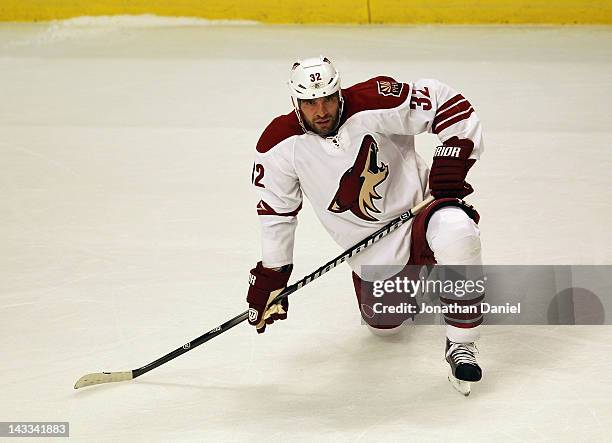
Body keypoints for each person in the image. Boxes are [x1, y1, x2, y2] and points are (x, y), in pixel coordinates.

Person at [246, 56, 484, 394]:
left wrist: (454, 156)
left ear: (339, 91)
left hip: (422, 215)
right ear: (295, 102)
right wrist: (273, 274)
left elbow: (450, 105)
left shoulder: (374, 101)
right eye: (310, 102)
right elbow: (277, 214)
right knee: (386, 328)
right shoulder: (278, 146)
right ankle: (418, 279)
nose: (322, 110)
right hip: (374, 250)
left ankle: (462, 344)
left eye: (328, 98)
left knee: (457, 232)